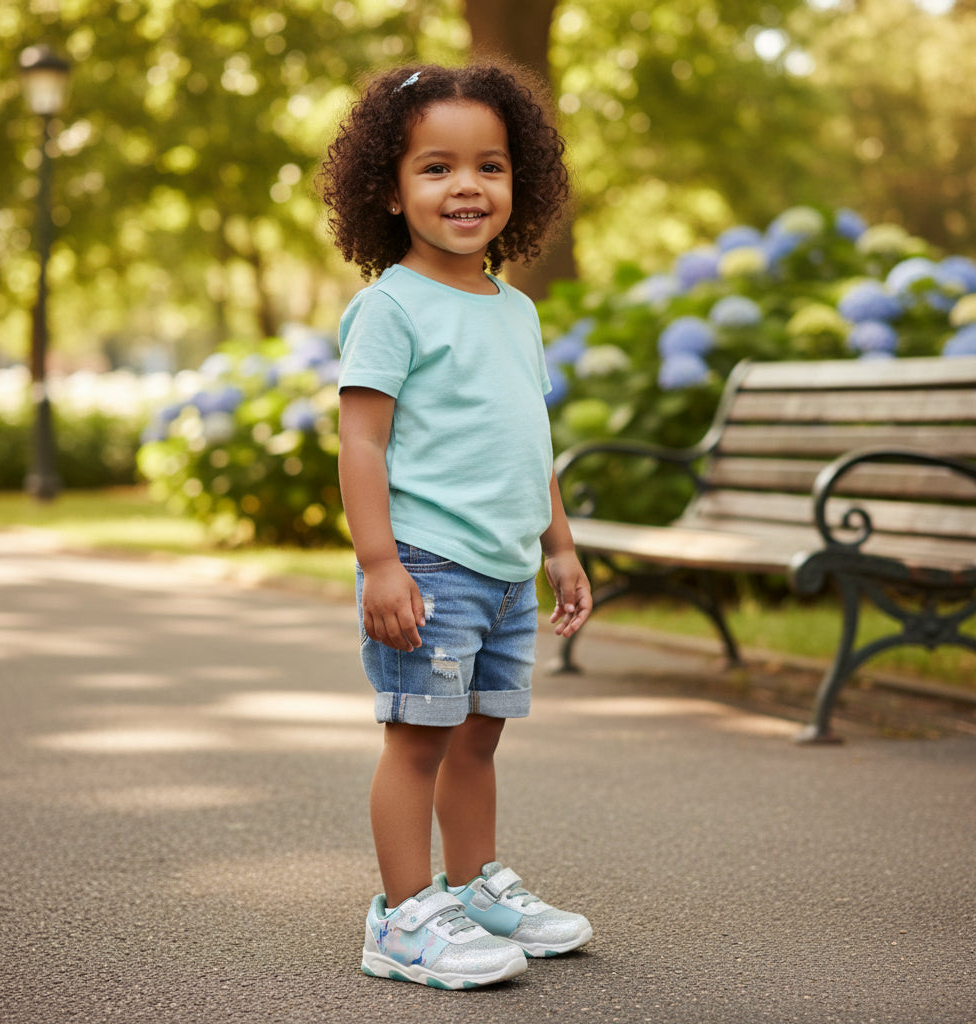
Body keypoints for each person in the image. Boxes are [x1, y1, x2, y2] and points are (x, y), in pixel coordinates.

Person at [318, 60, 594, 990]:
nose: (466, 186)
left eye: (491, 165)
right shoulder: (391, 307)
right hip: (430, 567)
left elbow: (530, 435)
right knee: (417, 738)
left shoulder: (514, 308)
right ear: (388, 192)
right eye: (435, 167)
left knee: (480, 736)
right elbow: (361, 444)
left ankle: (472, 888)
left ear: (523, 182)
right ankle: (400, 918)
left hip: (507, 569)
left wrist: (558, 546)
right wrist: (380, 564)